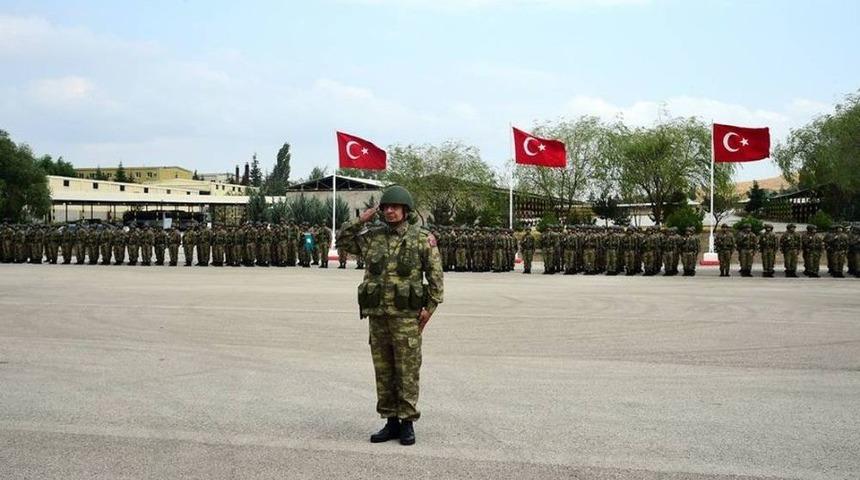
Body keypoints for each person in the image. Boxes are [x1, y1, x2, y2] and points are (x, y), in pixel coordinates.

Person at [336, 185, 443, 447]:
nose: (390, 211)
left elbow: (436, 277)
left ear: (406, 211)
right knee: (383, 370)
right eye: (386, 207)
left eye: (395, 207)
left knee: (407, 371)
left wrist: (429, 308)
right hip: (378, 316)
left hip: (406, 317)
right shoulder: (372, 236)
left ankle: (407, 423)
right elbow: (343, 240)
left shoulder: (421, 238)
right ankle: (390, 420)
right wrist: (361, 219)